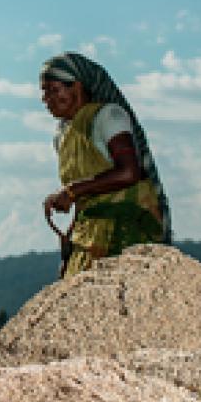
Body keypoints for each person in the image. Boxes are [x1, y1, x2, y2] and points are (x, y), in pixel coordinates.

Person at [40, 51, 172, 276]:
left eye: (53, 90)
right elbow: (86, 200)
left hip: (129, 228)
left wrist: (71, 192)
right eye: (44, 93)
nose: (46, 99)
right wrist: (69, 249)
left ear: (78, 87)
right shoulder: (63, 135)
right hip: (89, 235)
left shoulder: (108, 117)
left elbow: (129, 172)